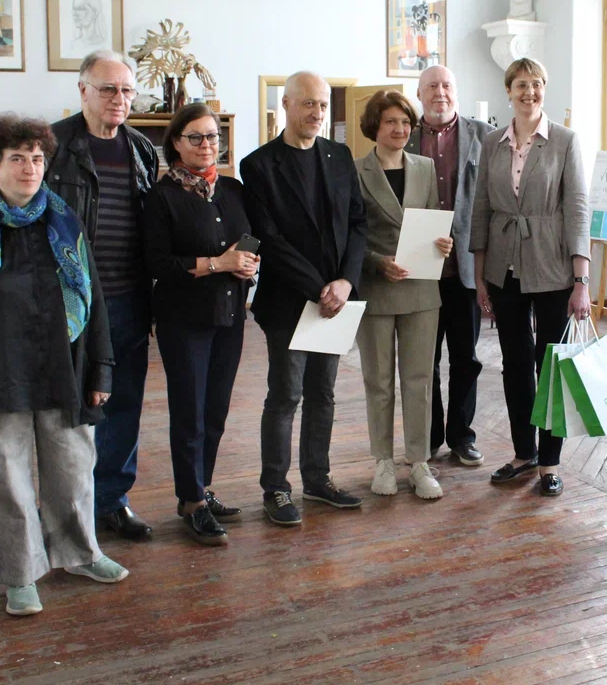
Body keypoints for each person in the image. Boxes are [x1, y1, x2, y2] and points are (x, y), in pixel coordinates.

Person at [0, 114, 124, 617]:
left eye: (37, 158)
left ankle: (81, 554)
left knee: (73, 469)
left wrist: (101, 370)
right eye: (16, 158)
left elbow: (94, 303)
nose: (29, 168)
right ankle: (20, 575)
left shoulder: (65, 223)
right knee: (7, 481)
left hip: (64, 370)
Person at [240, 71, 368, 526]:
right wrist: (320, 288)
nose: (317, 113)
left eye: (323, 105)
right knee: (285, 395)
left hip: (336, 300)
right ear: (286, 105)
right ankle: (275, 488)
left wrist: (346, 282)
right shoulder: (258, 166)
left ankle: (317, 478)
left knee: (323, 394)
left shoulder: (339, 156)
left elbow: (358, 224)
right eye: (308, 103)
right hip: (290, 300)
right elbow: (269, 238)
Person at [47, 50, 160, 541]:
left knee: (125, 403)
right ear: (83, 90)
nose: (119, 99)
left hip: (129, 296)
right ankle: (66, 507)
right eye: (108, 89)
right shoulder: (53, 145)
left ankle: (111, 500)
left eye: (127, 90)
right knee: (68, 407)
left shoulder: (142, 149)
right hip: (70, 302)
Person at [470, 57, 591, 497]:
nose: (529, 92)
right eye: (521, 84)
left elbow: (577, 209)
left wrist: (581, 281)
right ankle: (524, 453)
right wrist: (480, 276)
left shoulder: (564, 140)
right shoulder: (491, 142)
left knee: (551, 365)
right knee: (515, 365)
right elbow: (481, 209)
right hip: (504, 268)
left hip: (553, 267)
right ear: (508, 91)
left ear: (544, 89)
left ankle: (550, 462)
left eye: (536, 83)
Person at [145, 104, 258, 545]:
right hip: (183, 319)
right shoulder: (161, 196)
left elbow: (249, 240)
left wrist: (248, 264)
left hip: (230, 315)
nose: (207, 144)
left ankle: (202, 488)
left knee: (216, 411)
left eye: (213, 136)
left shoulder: (233, 189)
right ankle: (190, 501)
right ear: (176, 142)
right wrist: (218, 263)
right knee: (189, 412)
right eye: (196, 137)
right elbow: (158, 263)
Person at [355, 90, 453, 499]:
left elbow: (432, 223)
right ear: (375, 126)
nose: (399, 129)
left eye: (405, 122)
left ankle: (419, 462)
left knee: (419, 380)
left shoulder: (425, 167)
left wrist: (443, 242)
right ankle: (382, 461)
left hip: (421, 288)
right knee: (378, 381)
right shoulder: (355, 171)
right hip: (376, 288)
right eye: (391, 121)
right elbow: (350, 235)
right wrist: (378, 262)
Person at [405, 65, 486, 467]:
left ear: (457, 91)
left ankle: (462, 436)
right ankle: (430, 436)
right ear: (419, 94)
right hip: (419, 270)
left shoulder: (484, 136)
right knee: (424, 360)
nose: (440, 92)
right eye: (432, 86)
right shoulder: (404, 136)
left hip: (466, 270)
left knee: (466, 359)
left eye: (447, 85)